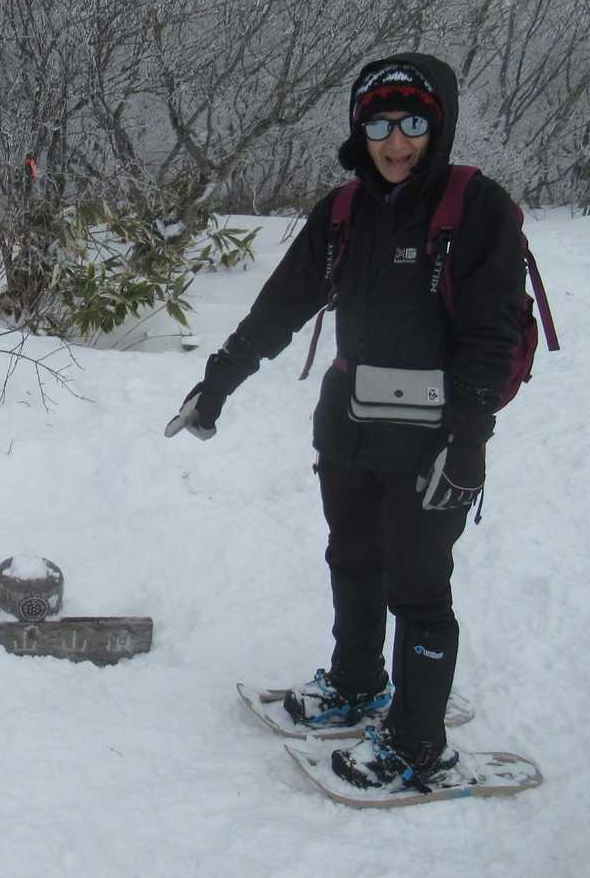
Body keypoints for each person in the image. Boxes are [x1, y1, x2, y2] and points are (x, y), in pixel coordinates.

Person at [164, 53, 528, 791]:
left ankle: (418, 747)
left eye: (413, 122)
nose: (396, 142)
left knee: (419, 587)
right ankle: (359, 684)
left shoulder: (479, 209)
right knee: (354, 557)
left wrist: (469, 444)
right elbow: (281, 306)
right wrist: (219, 382)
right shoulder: (342, 212)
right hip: (349, 424)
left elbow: (491, 340)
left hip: (434, 435)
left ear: (439, 126)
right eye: (379, 125)